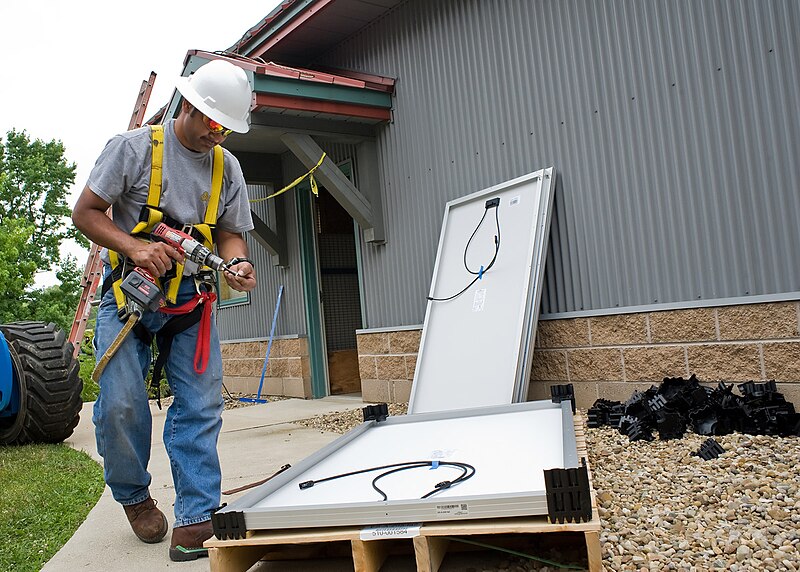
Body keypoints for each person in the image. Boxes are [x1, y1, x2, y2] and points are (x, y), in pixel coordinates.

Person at [72, 59, 256, 562]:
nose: (216, 136)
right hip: (128, 300)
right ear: (189, 106)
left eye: (226, 129)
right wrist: (133, 248)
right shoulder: (131, 149)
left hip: (190, 304)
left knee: (200, 407)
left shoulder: (227, 167)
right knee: (122, 405)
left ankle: (197, 518)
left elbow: (230, 231)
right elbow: (85, 212)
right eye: (211, 123)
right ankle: (134, 495)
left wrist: (236, 261)